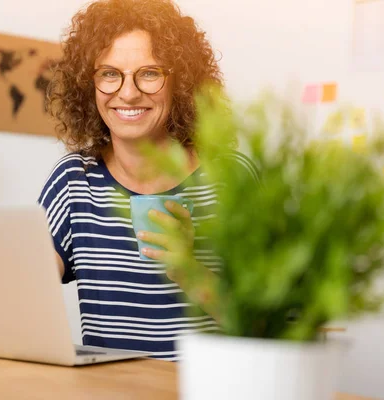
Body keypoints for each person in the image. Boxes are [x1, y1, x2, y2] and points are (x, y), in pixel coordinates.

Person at [38, 0, 258, 361]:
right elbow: (22, 290)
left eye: (150, 73)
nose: (128, 93)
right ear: (88, 84)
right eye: (109, 73)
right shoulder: (74, 182)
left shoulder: (231, 179)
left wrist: (189, 271)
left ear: (181, 82)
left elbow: (271, 326)